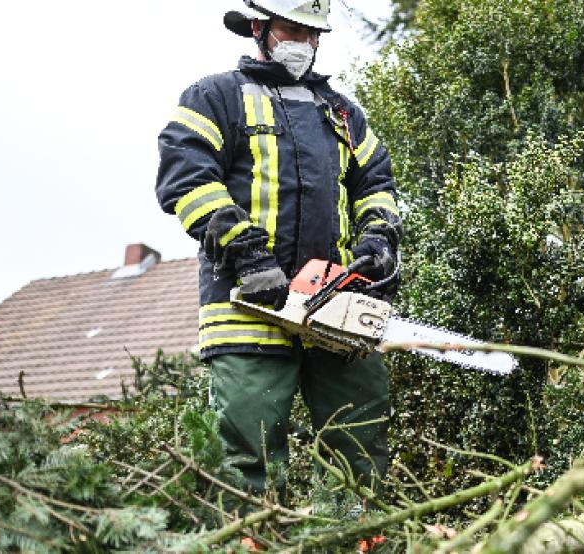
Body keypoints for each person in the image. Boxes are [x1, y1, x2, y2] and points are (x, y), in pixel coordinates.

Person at [155, 0, 401, 498]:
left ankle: (350, 538)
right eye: (294, 29)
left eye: (313, 34)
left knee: (360, 444)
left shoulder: (342, 111)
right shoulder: (214, 96)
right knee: (247, 452)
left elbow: (376, 183)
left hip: (334, 305)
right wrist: (248, 255)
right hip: (248, 306)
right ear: (260, 27)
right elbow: (186, 180)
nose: (303, 43)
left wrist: (378, 240)